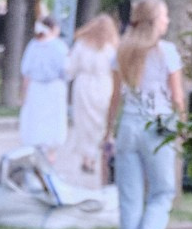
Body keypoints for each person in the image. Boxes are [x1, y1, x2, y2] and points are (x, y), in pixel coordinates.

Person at [103, 0, 186, 229]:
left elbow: (115, 98)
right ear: (154, 21)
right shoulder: (167, 52)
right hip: (159, 127)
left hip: (128, 127)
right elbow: (176, 97)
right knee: (163, 192)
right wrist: (184, 126)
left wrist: (108, 131)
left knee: (130, 200)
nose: (168, 21)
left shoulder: (122, 52)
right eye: (164, 16)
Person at [65, 12, 120, 190]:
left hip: (84, 86)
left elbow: (70, 68)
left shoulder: (81, 45)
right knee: (101, 123)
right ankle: (98, 156)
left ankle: (86, 158)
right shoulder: (112, 48)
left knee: (84, 123)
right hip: (104, 85)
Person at [15, 10, 70, 178]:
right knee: (52, 120)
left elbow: (27, 72)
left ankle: (37, 153)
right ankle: (50, 154)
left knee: (35, 119)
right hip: (54, 88)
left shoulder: (33, 45)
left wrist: (23, 94)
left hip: (36, 88)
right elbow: (66, 70)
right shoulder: (59, 46)